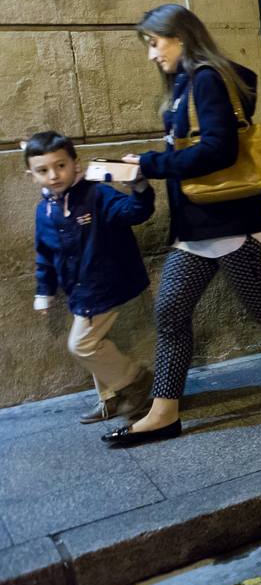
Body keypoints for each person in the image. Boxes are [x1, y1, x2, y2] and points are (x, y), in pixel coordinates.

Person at [104, 5, 261, 447]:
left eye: (154, 43)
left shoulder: (206, 79)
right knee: (171, 313)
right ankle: (164, 412)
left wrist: (151, 163)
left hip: (233, 223)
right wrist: (145, 170)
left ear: (179, 37)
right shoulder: (185, 83)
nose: (151, 55)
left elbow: (218, 151)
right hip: (198, 228)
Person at [26, 132, 155, 424]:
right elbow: (44, 254)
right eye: (43, 170)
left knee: (82, 345)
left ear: (75, 163)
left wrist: (139, 186)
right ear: (31, 175)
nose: (54, 175)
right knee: (96, 346)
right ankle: (109, 399)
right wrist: (43, 292)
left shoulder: (96, 194)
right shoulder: (44, 209)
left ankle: (135, 380)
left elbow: (136, 212)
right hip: (79, 291)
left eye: (60, 166)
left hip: (106, 284)